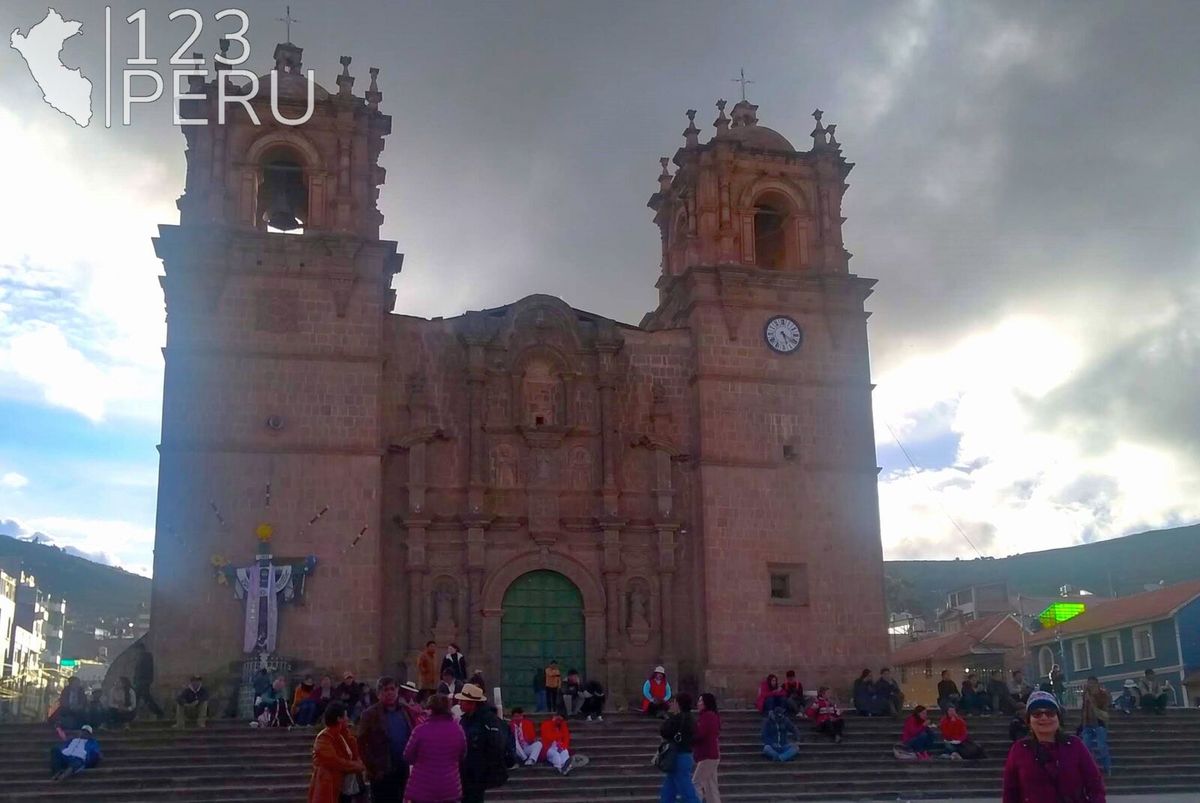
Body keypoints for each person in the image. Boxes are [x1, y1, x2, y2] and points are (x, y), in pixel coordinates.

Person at [1002, 691, 1106, 803]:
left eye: (1050, 713)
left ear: (1058, 718)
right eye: (1037, 714)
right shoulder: (1019, 749)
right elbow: (1010, 792)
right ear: (1029, 720)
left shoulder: (1075, 745)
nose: (1044, 717)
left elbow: (1095, 785)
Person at [358, 676, 416, 802]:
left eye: (392, 689)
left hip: (402, 769)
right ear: (379, 693)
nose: (389, 692)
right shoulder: (370, 714)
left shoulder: (405, 711)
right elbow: (362, 744)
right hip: (381, 772)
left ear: (397, 691)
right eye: (385, 690)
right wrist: (373, 768)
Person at [403, 694, 467, 803]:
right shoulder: (458, 730)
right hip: (449, 785)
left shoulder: (420, 730)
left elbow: (408, 755)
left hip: (422, 787)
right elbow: (462, 754)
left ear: (431, 709)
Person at [458, 683, 511, 802]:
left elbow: (495, 746)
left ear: (472, 703)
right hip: (467, 773)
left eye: (463, 701)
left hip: (478, 773)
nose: (459, 704)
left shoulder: (488, 720)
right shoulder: (465, 720)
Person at [307, 702, 366, 803]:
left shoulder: (343, 735)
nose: (348, 719)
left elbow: (354, 753)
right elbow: (333, 761)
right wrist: (356, 765)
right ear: (339, 718)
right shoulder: (324, 737)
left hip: (345, 786)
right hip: (330, 785)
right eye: (346, 716)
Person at [659, 692, 701, 803]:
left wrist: (670, 716)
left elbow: (664, 731)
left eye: (674, 702)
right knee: (669, 790)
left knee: (686, 791)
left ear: (678, 704)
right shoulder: (691, 718)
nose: (672, 704)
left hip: (678, 756)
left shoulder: (679, 718)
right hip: (685, 755)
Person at [693, 692, 721, 803]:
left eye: (700, 701)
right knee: (710, 785)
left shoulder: (707, 716)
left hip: (707, 755)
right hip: (712, 754)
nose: (698, 703)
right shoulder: (712, 715)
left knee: (696, 783)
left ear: (706, 703)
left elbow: (701, 734)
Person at [1080, 675, 1112, 775]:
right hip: (1088, 723)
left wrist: (1092, 699)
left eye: (1092, 683)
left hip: (1099, 723)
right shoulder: (1086, 694)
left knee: (1102, 745)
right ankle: (1090, 768)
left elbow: (1104, 709)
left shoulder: (1102, 694)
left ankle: (1107, 768)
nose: (1090, 685)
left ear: (1097, 684)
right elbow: (1084, 709)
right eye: (1089, 683)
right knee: (1085, 746)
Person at [131, 642, 165, 720]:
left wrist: (147, 680)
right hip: (141, 681)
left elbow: (147, 670)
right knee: (146, 698)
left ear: (140, 649)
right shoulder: (141, 657)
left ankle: (132, 715)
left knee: (137, 697)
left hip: (143, 681)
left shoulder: (146, 657)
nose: (135, 652)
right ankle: (159, 712)